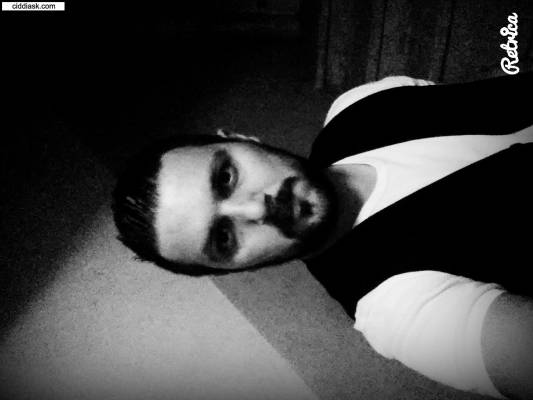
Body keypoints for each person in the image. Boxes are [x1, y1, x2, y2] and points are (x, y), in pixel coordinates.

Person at [112, 72, 533, 399]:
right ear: (235, 270)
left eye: (225, 177)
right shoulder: (395, 309)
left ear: (241, 139)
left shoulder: (358, 104)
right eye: (223, 238)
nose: (255, 209)